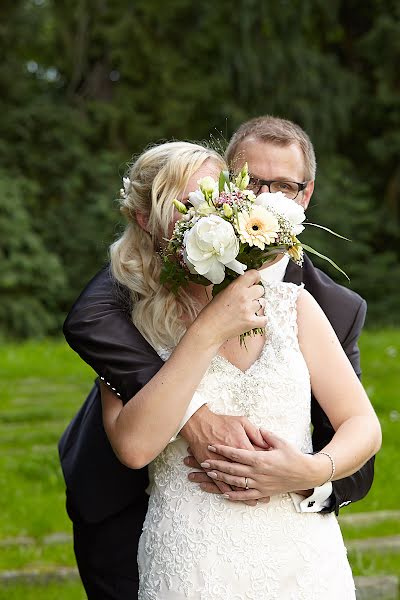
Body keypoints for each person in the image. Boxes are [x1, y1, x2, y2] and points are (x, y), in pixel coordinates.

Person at [59, 118, 377, 599]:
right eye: (253, 183)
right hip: (183, 547)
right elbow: (135, 444)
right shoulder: (130, 315)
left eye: (284, 186)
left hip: (299, 553)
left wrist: (310, 472)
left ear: (305, 195)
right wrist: (208, 332)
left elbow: (359, 425)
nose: (265, 198)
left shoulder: (304, 304)